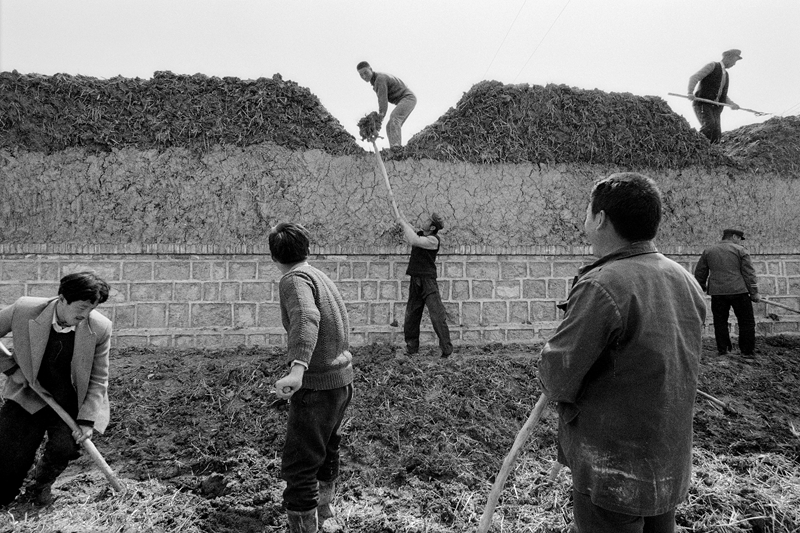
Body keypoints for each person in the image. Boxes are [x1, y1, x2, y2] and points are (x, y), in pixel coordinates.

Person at [538, 173, 707, 533]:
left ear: (600, 219)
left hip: (614, 472)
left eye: (587, 213)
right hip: (667, 463)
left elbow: (558, 376)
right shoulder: (685, 280)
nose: (584, 223)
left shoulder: (603, 284)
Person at [268, 222, 354, 533]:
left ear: (274, 257)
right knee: (327, 448)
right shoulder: (320, 276)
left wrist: (297, 369)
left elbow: (307, 317)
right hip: (340, 381)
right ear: (308, 249)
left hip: (317, 385)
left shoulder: (294, 279)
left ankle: (304, 529)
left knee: (299, 464)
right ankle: (325, 509)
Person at [0, 272, 112, 507]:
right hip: (28, 394)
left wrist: (87, 421)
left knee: (64, 448)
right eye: (81, 307)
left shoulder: (100, 328)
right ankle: (4, 498)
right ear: (62, 299)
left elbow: (98, 377)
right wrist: (11, 368)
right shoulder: (24, 309)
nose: (85, 315)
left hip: (68, 401)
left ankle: (38, 486)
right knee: (11, 454)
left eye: (91, 309)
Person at [694, 228, 760, 356]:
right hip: (739, 291)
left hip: (717, 293)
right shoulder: (740, 251)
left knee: (720, 321)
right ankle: (747, 351)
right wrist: (754, 292)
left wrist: (700, 287)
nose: (740, 242)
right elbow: (749, 274)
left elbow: (700, 272)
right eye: (740, 239)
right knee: (746, 322)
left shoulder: (709, 251)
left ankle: (723, 349)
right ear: (734, 236)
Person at [398, 212, 453, 358]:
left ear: (433, 226)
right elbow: (411, 231)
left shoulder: (433, 240)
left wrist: (402, 223)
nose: (425, 221)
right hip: (415, 279)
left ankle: (447, 351)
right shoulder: (422, 234)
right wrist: (402, 216)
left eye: (428, 220)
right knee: (411, 315)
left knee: (437, 315)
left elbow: (414, 240)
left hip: (428, 281)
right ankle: (411, 348)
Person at [356, 61, 417, 148]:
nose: (364, 76)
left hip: (408, 98)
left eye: (366, 72)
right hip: (405, 99)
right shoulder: (376, 81)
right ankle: (393, 148)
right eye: (361, 75)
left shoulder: (379, 79)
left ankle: (396, 148)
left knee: (394, 118)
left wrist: (377, 122)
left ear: (371, 69)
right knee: (389, 126)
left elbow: (382, 100)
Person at [687, 49, 742, 143]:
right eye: (734, 61)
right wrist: (690, 92)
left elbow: (722, 94)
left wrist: (732, 104)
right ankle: (696, 146)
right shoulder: (712, 66)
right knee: (709, 126)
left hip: (715, 108)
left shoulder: (725, 75)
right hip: (703, 103)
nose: (734, 64)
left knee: (716, 134)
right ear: (728, 58)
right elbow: (694, 77)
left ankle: (710, 154)